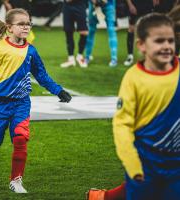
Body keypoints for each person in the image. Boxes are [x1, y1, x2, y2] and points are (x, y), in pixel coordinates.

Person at [0, 8, 72, 193]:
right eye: (21, 24)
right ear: (9, 27)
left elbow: (42, 75)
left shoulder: (31, 51)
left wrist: (58, 91)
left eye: (28, 23)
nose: (26, 27)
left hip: (21, 103)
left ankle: (16, 180)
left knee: (21, 137)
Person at [87, 13, 180, 200]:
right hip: (145, 165)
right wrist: (132, 165)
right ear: (141, 45)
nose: (167, 46)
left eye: (170, 41)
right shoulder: (133, 78)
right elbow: (122, 124)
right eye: (159, 41)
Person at [84, 0, 118, 67]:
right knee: (91, 31)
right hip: (94, 6)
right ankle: (87, 57)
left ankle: (114, 58)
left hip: (108, 5)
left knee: (111, 30)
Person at [60, 0, 88, 68]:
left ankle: (80, 56)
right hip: (67, 6)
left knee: (84, 32)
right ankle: (71, 59)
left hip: (80, 5)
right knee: (68, 31)